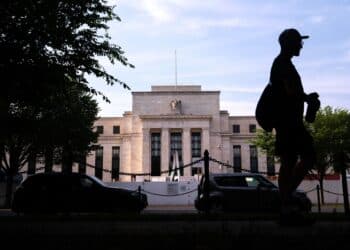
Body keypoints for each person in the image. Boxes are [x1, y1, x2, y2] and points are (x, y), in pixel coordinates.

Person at [269, 28, 320, 224]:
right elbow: (290, 92)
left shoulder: (284, 63)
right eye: (299, 42)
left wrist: (306, 99)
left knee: (289, 161)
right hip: (289, 123)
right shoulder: (282, 64)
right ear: (290, 43)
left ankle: (285, 204)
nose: (301, 45)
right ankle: (285, 200)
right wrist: (307, 98)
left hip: (290, 122)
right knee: (306, 157)